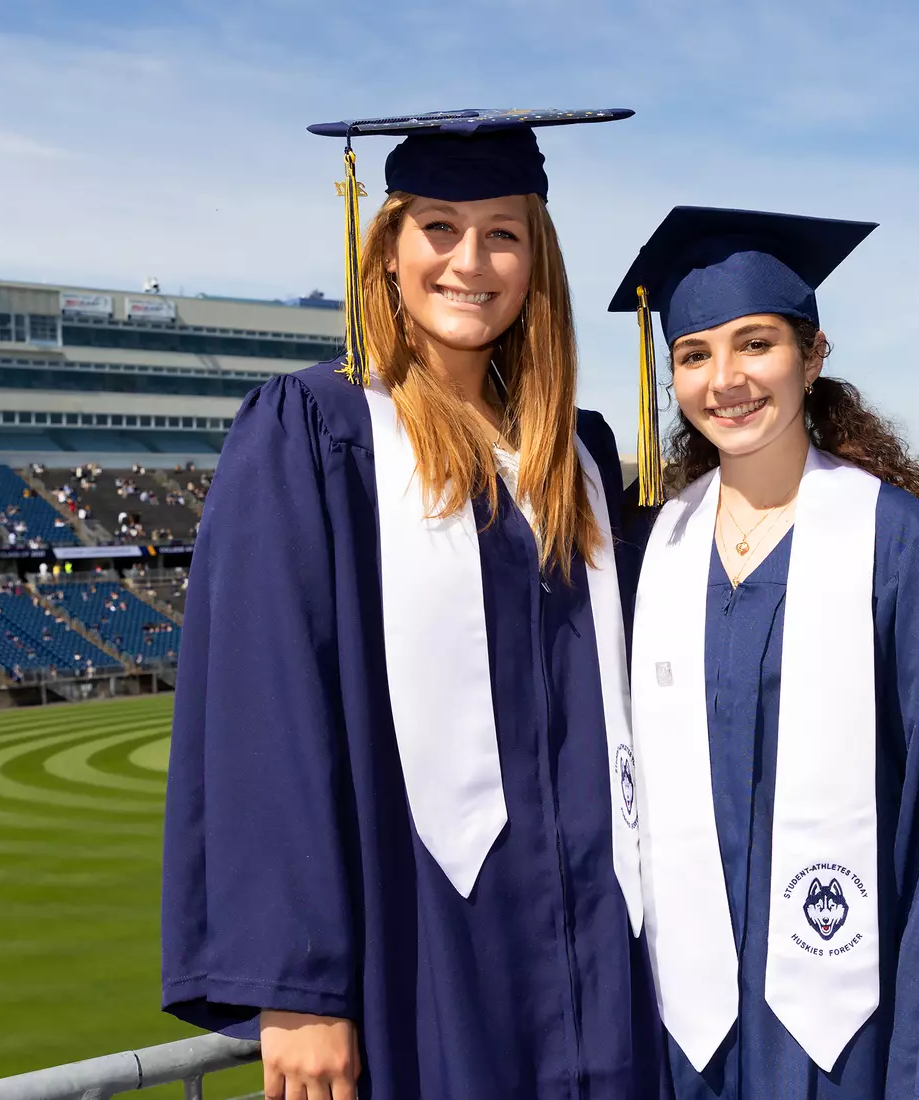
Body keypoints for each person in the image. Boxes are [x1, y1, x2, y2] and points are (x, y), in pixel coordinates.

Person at [161, 108, 666, 1100]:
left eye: (503, 234)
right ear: (387, 248)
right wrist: (298, 987)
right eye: (437, 226)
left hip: (607, 965)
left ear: (537, 263)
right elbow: (265, 707)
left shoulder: (583, 457)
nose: (469, 261)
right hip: (429, 949)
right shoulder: (318, 434)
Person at [617, 207, 919, 1097]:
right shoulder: (646, 556)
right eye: (695, 354)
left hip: (848, 1025)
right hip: (673, 1031)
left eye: (756, 344)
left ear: (812, 358)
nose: (726, 380)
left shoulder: (901, 549)